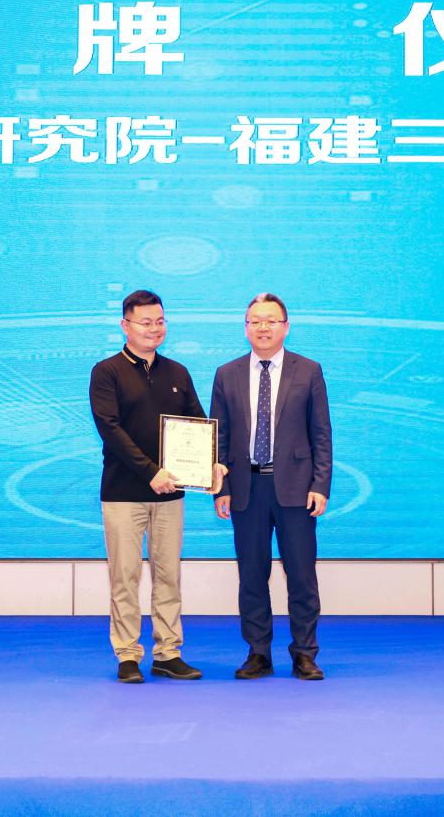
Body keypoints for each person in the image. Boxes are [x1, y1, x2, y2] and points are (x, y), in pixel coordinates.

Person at [88, 289, 226, 684]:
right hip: (123, 494)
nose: (154, 328)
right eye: (145, 322)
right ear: (125, 325)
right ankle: (128, 655)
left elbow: (198, 426)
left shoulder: (177, 372)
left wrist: (212, 464)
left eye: (160, 321)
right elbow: (110, 429)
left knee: (169, 575)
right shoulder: (107, 372)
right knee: (125, 576)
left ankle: (168, 652)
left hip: (171, 495)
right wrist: (150, 471)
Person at [210, 293, 332, 680]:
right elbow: (219, 436)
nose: (263, 327)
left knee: (301, 575)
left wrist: (321, 484)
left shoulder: (308, 370)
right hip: (245, 488)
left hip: (296, 489)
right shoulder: (226, 374)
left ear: (286, 326)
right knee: (251, 575)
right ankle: (258, 653)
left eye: (271, 320)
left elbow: (321, 433)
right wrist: (221, 488)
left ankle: (305, 653)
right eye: (255, 321)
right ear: (246, 327)